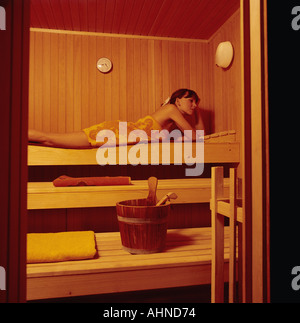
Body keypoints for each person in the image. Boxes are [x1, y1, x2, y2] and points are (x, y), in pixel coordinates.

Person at [28, 89, 205, 149]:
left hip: (118, 133)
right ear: (178, 99)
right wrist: (198, 114)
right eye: (191, 100)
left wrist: (195, 110)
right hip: (115, 132)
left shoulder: (171, 118)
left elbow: (196, 137)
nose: (194, 105)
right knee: (50, 138)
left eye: (196, 103)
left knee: (50, 141)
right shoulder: (171, 108)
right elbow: (195, 135)